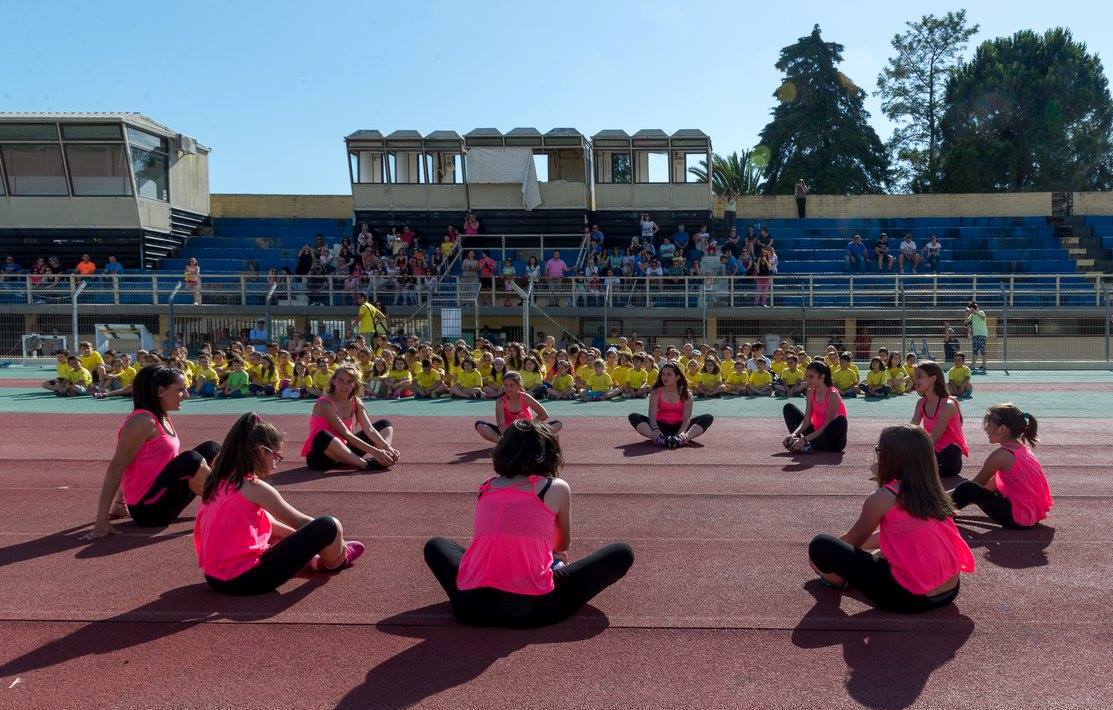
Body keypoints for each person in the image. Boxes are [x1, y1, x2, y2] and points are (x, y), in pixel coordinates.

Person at [424, 420, 633, 627]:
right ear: (550, 453)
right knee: (622, 553)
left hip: (472, 608)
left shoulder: (487, 486)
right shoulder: (555, 487)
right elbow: (561, 547)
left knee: (436, 545)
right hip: (536, 610)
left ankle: (482, 580)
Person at [807, 425, 975, 613]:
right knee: (880, 552)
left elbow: (855, 540)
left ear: (890, 457)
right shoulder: (933, 492)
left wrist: (824, 559)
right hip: (950, 590)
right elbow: (899, 535)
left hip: (908, 598)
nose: (876, 455)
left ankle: (839, 580)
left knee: (821, 545)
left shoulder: (882, 497)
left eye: (879, 451)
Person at [194, 413, 364, 595]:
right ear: (262, 451)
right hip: (246, 580)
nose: (276, 463)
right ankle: (338, 559)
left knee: (267, 523)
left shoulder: (218, 480)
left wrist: (301, 542)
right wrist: (336, 541)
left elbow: (269, 523)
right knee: (329, 525)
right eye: (276, 456)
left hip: (213, 578)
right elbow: (303, 523)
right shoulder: (254, 487)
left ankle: (313, 561)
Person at [81, 367, 221, 538]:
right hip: (148, 510)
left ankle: (231, 497)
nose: (186, 395)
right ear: (160, 391)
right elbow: (118, 467)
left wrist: (119, 503)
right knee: (191, 459)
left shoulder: (162, 417)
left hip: (161, 497)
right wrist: (101, 521)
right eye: (180, 390)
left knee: (212, 448)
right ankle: (227, 505)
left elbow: (137, 464)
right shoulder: (142, 421)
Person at [950, 404, 1052, 529]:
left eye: (990, 425)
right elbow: (991, 485)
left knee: (966, 487)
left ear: (1002, 429)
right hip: (1032, 516)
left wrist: (938, 497)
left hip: (1017, 519)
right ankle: (938, 506)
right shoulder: (1023, 450)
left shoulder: (1001, 455)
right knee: (975, 489)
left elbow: (975, 486)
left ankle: (938, 515)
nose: (986, 429)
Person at [302, 365, 399, 472]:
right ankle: (366, 465)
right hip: (322, 457)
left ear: (355, 384)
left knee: (385, 424)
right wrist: (375, 451)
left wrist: (387, 448)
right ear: (333, 381)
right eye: (341, 381)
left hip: (346, 451)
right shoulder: (324, 403)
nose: (345, 385)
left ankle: (384, 458)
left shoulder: (356, 401)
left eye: (349, 381)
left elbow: (369, 429)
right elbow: (346, 434)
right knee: (322, 436)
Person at [628, 362, 714, 449]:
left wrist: (681, 432)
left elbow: (686, 419)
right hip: (660, 426)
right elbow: (652, 415)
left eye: (669, 374)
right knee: (634, 416)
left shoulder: (686, 394)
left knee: (707, 417)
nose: (665, 377)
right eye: (663, 374)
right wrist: (655, 429)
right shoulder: (656, 392)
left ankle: (682, 439)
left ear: (677, 377)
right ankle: (658, 438)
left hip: (680, 426)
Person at [911, 360, 969, 478]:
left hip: (947, 458)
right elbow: (911, 430)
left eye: (919, 376)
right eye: (914, 376)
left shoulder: (948, 405)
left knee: (953, 450)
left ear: (933, 379)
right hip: (931, 454)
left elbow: (933, 438)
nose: (915, 380)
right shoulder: (921, 403)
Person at [475, 371, 562, 444]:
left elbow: (544, 415)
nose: (508, 388)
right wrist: (511, 435)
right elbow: (501, 425)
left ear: (519, 386)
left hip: (528, 430)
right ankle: (502, 443)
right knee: (480, 425)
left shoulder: (525, 397)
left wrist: (528, 426)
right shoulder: (500, 401)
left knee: (557, 424)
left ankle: (527, 441)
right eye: (506, 385)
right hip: (509, 432)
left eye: (511, 385)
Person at [783, 361, 848, 453]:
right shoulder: (810, 392)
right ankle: (796, 444)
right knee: (789, 408)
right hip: (816, 435)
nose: (807, 380)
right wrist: (794, 434)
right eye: (806, 376)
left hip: (831, 440)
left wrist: (805, 439)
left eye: (811, 376)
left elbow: (827, 425)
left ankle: (808, 445)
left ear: (822, 376)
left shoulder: (832, 394)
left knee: (840, 420)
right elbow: (807, 420)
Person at [965, 301, 989, 372]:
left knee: (982, 350)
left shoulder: (981, 312)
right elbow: (966, 322)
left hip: (982, 334)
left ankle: (984, 365)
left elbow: (983, 318)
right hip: (975, 335)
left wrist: (975, 312)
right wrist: (967, 313)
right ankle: (973, 365)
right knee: (975, 350)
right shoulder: (971, 315)